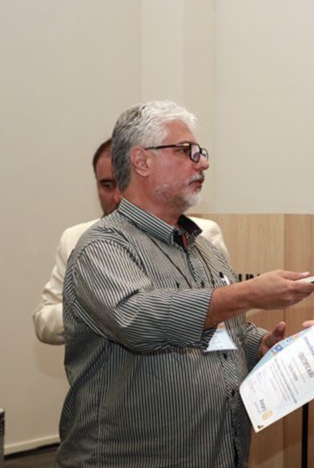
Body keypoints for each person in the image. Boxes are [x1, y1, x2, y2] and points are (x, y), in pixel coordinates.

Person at [54, 100, 314, 468]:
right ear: (141, 161)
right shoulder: (102, 246)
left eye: (201, 152)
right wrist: (248, 293)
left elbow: (227, 334)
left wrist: (262, 345)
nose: (202, 163)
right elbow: (138, 320)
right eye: (186, 151)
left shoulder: (206, 251)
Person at [32, 138, 229, 345]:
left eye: (123, 184)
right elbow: (43, 321)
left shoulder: (203, 235)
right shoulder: (75, 238)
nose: (117, 197)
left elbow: (225, 321)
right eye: (106, 185)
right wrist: (97, 308)